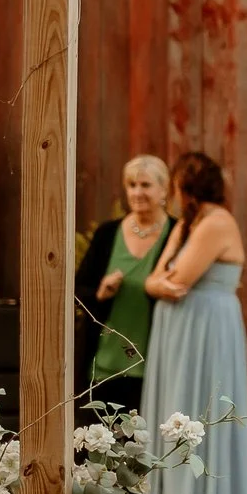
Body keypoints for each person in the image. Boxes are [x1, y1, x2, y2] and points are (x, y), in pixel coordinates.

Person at [141, 152, 247, 494]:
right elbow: (154, 282)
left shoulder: (216, 223)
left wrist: (161, 280)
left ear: (185, 187)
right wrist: (161, 279)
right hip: (182, 330)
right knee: (176, 410)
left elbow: (180, 279)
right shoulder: (188, 226)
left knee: (201, 413)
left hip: (206, 331)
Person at [73, 154, 173, 411]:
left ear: (164, 189)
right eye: (132, 185)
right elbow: (77, 290)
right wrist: (100, 293)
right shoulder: (107, 233)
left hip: (157, 364)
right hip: (103, 364)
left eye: (145, 185)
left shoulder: (178, 233)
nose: (137, 192)